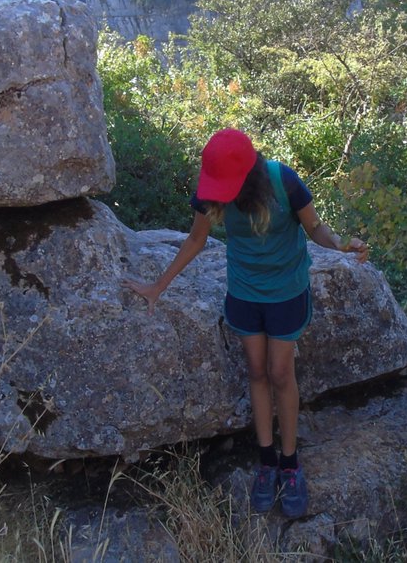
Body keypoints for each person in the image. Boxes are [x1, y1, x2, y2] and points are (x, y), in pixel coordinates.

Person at [122, 128, 369, 519]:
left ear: (247, 173)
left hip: (287, 290)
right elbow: (195, 240)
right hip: (244, 291)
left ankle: (290, 463)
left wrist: (339, 244)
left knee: (280, 373)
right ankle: (266, 459)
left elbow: (314, 227)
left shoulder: (282, 180)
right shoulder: (212, 194)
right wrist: (158, 286)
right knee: (256, 371)